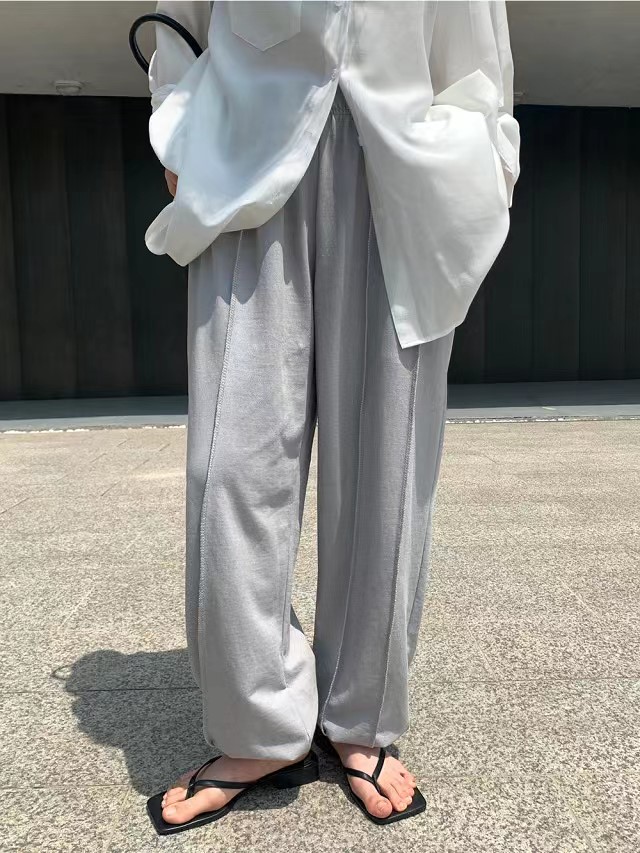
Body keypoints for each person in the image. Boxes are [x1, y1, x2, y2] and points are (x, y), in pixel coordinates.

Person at [143, 0, 520, 834]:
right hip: (248, 154)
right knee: (229, 466)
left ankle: (360, 716)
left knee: (388, 467)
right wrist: (175, 127)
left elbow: (479, 36)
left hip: (407, 168)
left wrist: (490, 158)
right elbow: (180, 14)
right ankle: (259, 725)